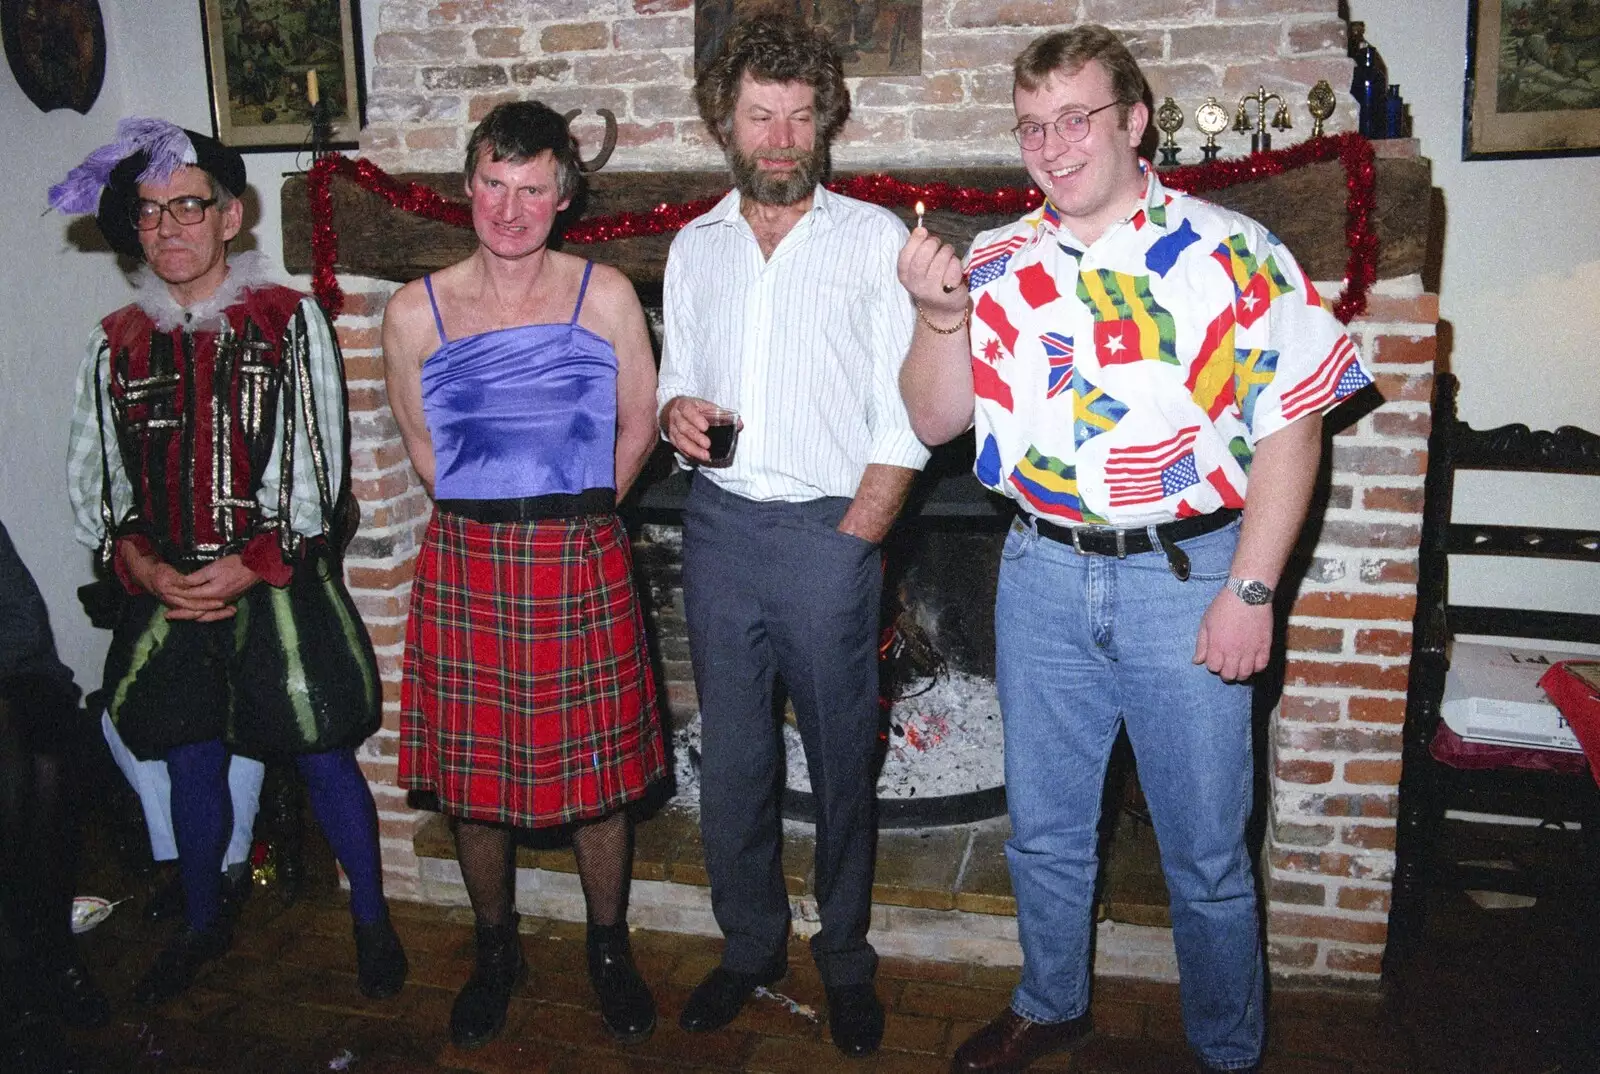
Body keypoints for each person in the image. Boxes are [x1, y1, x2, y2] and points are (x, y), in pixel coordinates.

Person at [898, 26, 1374, 1074]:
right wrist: (938, 318)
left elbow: (1292, 425)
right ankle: (1050, 1000)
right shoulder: (994, 263)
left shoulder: (1232, 253)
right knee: (1045, 831)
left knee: (1204, 852)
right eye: (1032, 125)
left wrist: (1252, 589)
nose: (1053, 144)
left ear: (1131, 119)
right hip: (1039, 573)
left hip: (1190, 573)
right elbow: (933, 423)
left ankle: (1224, 1047)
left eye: (1076, 117)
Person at [57, 118, 407, 1006]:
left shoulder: (286, 323)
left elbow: (316, 467)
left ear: (230, 216)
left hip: (273, 578)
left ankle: (372, 919)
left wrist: (252, 565)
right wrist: (143, 568)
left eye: (188, 206)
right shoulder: (114, 341)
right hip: (168, 588)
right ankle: (205, 923)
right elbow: (99, 481)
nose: (169, 227)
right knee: (188, 757)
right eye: (149, 212)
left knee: (323, 751)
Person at [657, 14, 930, 1059]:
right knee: (730, 763)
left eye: (797, 116)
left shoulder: (871, 240)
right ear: (725, 126)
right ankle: (750, 947)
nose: (778, 136)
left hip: (830, 528)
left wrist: (862, 530)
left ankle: (846, 959)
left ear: (825, 125)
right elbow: (685, 379)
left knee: (839, 762)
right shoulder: (695, 246)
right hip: (720, 529)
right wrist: (682, 420)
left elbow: (904, 405)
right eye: (758, 116)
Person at [384, 101, 667, 1050]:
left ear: (563, 196)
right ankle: (494, 946)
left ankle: (608, 943)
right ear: (469, 185)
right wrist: (501, 512)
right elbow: (426, 454)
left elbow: (639, 426)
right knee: (473, 779)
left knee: (599, 775)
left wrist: (585, 516)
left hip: (581, 555)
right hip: (470, 563)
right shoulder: (413, 309)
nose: (511, 208)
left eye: (533, 188)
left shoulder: (608, 296)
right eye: (494, 185)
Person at [0, 519, 106, 1073]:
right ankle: (18, 981)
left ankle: (53, 952)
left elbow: (24, 627)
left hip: (15, 677)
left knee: (50, 758)